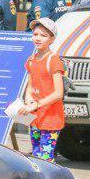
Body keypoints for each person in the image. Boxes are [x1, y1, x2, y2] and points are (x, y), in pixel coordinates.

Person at [21, 18, 66, 162]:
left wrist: (36, 104)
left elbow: (59, 93)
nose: (38, 38)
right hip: (35, 118)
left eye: (43, 35)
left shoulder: (53, 60)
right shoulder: (31, 60)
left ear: (52, 39)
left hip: (51, 119)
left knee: (46, 158)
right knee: (36, 156)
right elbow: (30, 86)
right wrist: (28, 99)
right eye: (35, 34)